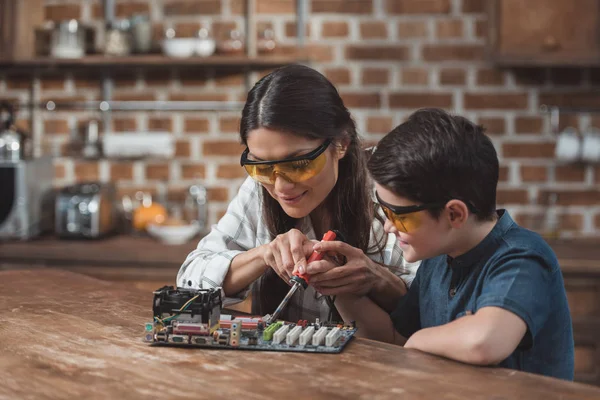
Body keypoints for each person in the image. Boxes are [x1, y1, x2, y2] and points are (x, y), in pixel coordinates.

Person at [318, 108, 574, 380]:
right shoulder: (438, 258)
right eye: (384, 210)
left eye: (399, 216)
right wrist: (337, 286)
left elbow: (484, 342)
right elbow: (394, 338)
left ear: (454, 214)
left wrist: (418, 341)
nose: (388, 226)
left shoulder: (523, 258)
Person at [177, 64, 418, 322]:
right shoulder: (258, 192)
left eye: (299, 164)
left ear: (341, 144)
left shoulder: (391, 192)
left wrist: (376, 279)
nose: (280, 187)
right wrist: (263, 254)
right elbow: (189, 285)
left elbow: (435, 310)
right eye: (262, 166)